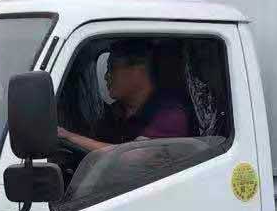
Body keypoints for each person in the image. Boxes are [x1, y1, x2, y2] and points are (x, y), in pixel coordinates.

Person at [57, 39, 191, 153]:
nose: (106, 76)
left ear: (138, 70)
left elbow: (131, 157)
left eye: (112, 68)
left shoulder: (171, 115)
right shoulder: (116, 112)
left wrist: (69, 137)